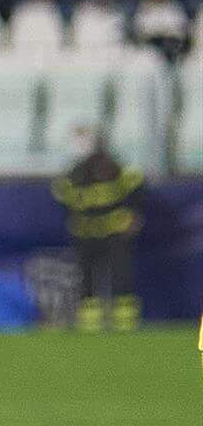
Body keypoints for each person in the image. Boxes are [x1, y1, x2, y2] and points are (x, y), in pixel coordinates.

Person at [51, 125, 142, 332]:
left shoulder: (116, 169)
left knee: (121, 277)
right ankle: (89, 325)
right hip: (85, 236)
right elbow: (64, 200)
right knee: (87, 280)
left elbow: (136, 190)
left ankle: (125, 324)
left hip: (115, 235)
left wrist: (133, 216)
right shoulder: (74, 174)